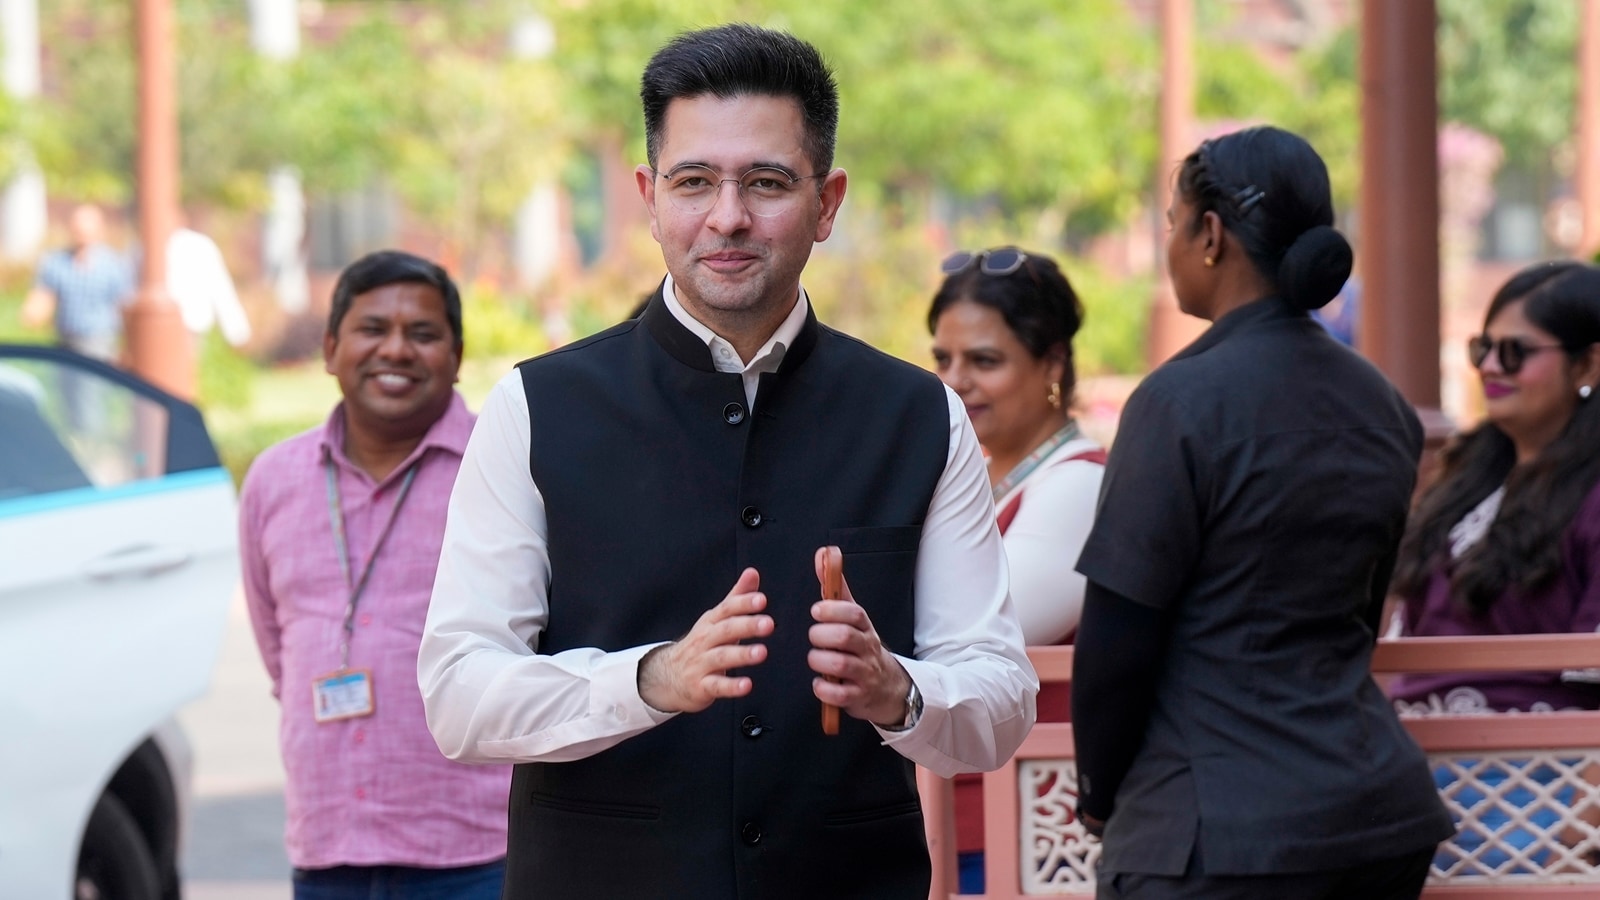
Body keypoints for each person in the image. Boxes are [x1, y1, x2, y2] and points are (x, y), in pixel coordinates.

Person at [418, 24, 1037, 900]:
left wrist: (898, 690)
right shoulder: (535, 409)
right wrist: (649, 680)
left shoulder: (915, 414)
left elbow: (1000, 702)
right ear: (649, 196)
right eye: (695, 181)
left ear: (828, 203)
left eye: (768, 183)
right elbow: (458, 693)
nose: (728, 216)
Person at [1070, 125, 1453, 899]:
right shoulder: (1382, 406)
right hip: (1376, 816)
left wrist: (1101, 793)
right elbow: (1364, 615)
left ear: (1210, 235)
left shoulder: (1177, 403)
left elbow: (1117, 639)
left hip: (1216, 834)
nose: (1170, 241)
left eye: (1172, 222)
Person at [239, 250, 509, 900]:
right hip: (328, 852)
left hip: (479, 854)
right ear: (331, 349)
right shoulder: (275, 481)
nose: (396, 350)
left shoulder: (503, 470)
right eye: (371, 330)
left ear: (456, 354)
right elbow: (281, 655)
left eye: (422, 334)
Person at [1388, 261, 1600, 874]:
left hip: (1538, 790)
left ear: (1588, 365)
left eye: (1514, 352)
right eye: (1483, 348)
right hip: (1410, 779)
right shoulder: (1464, 476)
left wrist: (1565, 852)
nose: (1488, 368)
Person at [927, 246, 1103, 892]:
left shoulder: (1078, 488)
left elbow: (978, 626)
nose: (955, 381)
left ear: (1052, 361)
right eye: (942, 360)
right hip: (955, 817)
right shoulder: (983, 480)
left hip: (1026, 835)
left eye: (984, 361)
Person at [22, 203, 134, 363]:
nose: (81, 233)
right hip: (65, 341)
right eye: (77, 229)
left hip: (99, 342)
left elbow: (124, 305)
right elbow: (43, 297)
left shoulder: (112, 265)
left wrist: (128, 347)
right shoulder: (56, 262)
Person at [167, 222, 252, 348]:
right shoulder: (201, 244)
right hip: (189, 323)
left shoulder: (196, 244)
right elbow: (221, 289)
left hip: (187, 324)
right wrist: (236, 331)